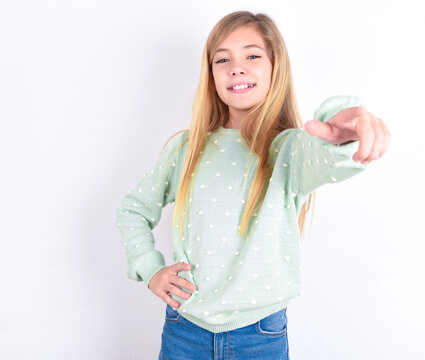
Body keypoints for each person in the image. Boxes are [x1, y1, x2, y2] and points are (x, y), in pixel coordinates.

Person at [116, 10, 391, 360]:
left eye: (252, 55)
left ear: (275, 68)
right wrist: (150, 268)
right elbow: (133, 209)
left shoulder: (288, 149)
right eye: (223, 59)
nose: (237, 67)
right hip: (184, 330)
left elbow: (322, 156)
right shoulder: (185, 149)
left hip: (261, 335)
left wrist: (341, 137)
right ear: (211, 73)